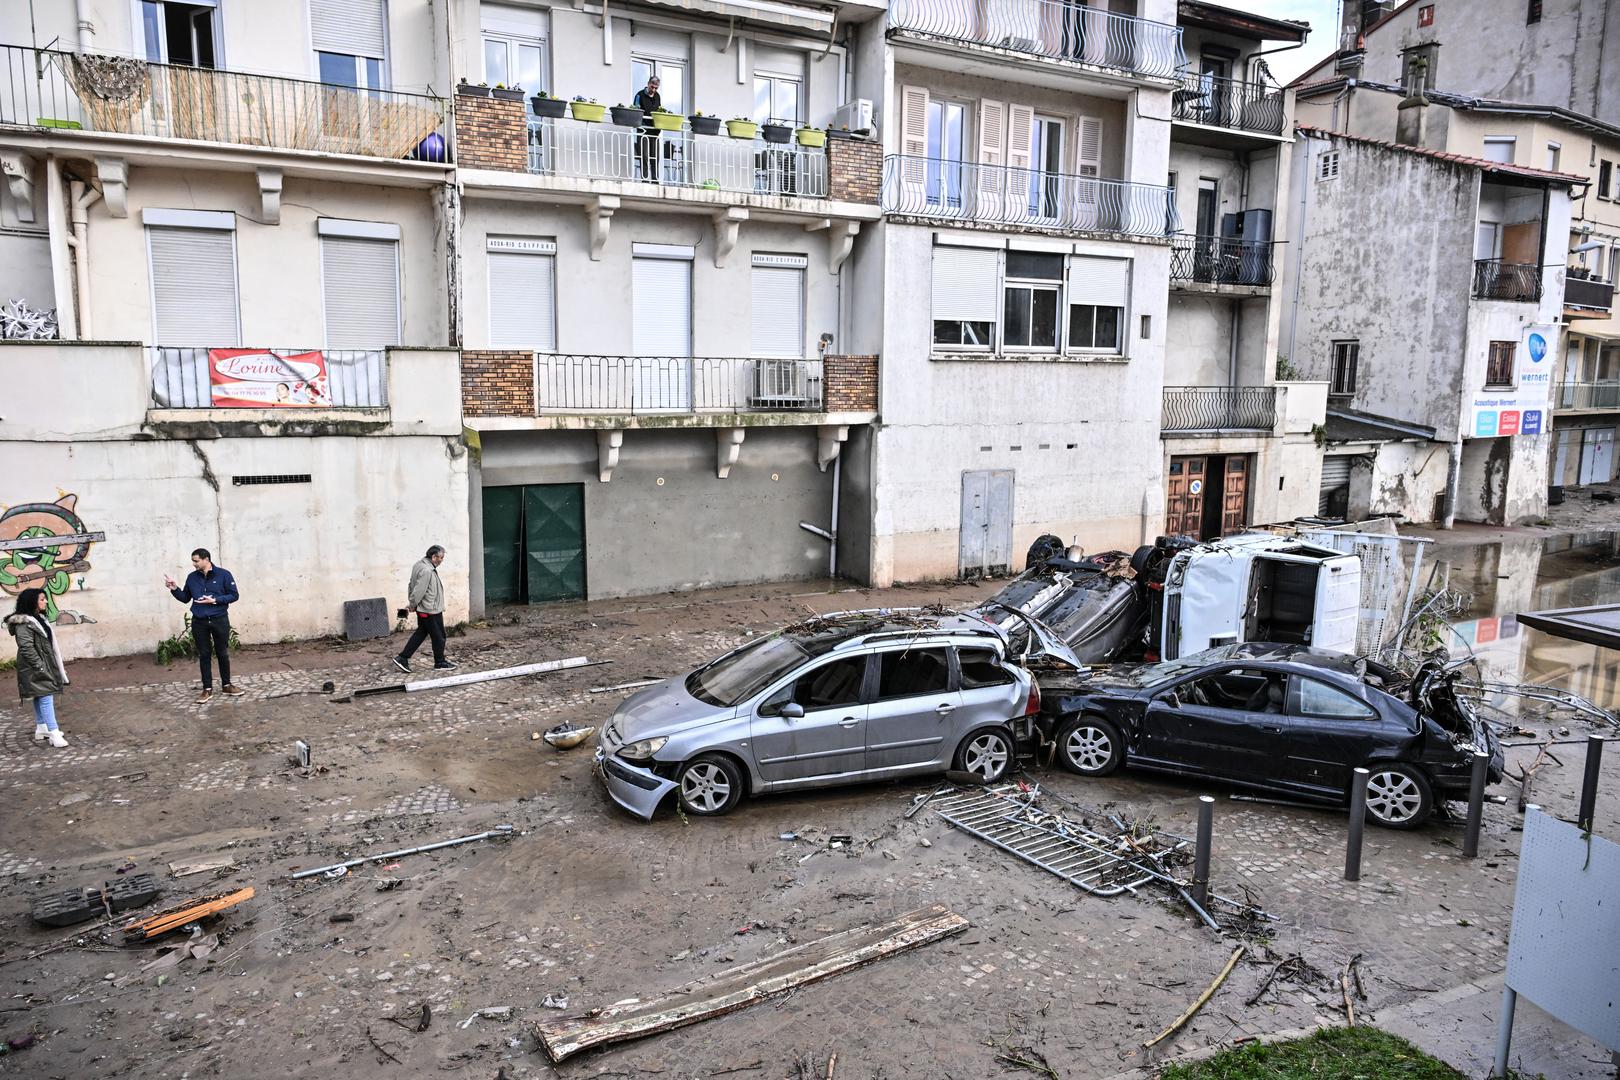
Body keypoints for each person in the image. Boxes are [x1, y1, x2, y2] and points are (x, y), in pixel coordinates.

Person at [165, 548, 242, 704]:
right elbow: (185, 598)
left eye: (196, 561)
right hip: (199, 622)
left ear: (206, 559)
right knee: (204, 655)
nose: (194, 564)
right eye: (193, 561)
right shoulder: (192, 577)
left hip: (219, 619)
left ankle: (226, 685)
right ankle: (207, 689)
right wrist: (174, 589)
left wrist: (215, 600)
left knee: (222, 653)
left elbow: (234, 595)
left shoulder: (224, 574)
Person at [6, 588, 70, 747]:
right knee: (46, 696)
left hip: (40, 664)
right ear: (32, 601)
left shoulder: (38, 619)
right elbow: (26, 647)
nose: (46, 601)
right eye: (42, 599)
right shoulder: (24, 623)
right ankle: (54, 733)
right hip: (34, 666)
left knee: (39, 694)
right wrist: (40, 666)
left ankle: (42, 728)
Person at [394, 545, 455, 673]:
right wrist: (412, 604)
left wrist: (413, 604)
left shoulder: (419, 565)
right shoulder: (427, 570)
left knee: (421, 633)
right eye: (441, 557)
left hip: (425, 608)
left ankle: (403, 658)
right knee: (439, 636)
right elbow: (418, 590)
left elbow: (411, 584)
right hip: (430, 609)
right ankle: (439, 662)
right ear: (434, 557)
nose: (442, 560)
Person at [632, 75, 662, 181]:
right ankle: (644, 178)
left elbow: (659, 110)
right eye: (652, 87)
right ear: (648, 84)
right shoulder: (639, 95)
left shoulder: (657, 96)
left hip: (654, 130)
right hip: (643, 130)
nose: (653, 90)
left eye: (656, 88)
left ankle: (655, 179)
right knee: (644, 156)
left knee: (655, 156)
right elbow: (636, 111)